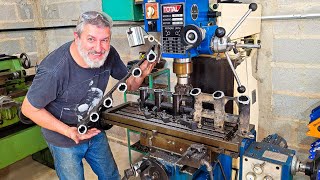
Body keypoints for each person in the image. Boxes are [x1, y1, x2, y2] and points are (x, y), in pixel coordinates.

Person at [21, 11, 155, 180]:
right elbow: (28, 109)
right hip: (63, 138)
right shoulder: (54, 70)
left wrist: (141, 75)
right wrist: (69, 132)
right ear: (77, 37)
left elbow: (129, 84)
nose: (99, 48)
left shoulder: (109, 54)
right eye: (91, 39)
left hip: (94, 129)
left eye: (104, 40)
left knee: (111, 176)